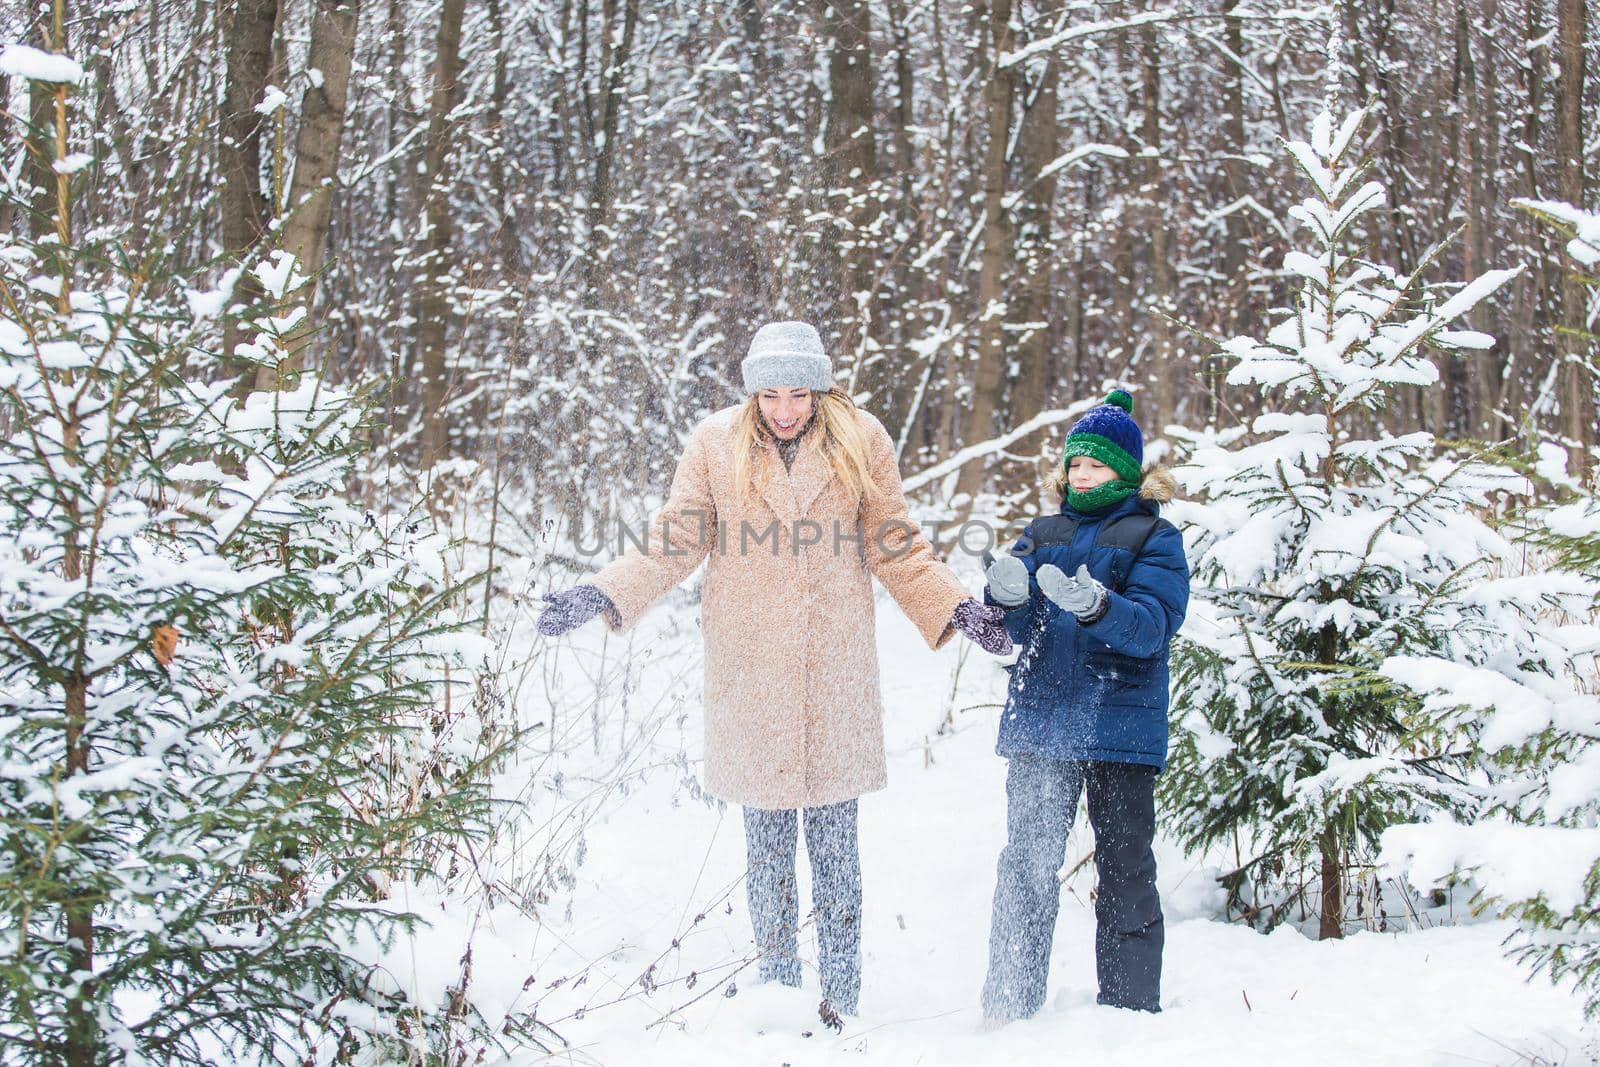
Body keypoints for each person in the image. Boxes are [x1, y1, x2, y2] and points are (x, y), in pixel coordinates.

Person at [537, 321, 1012, 1017]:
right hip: (751, 671)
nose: (785, 408)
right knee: (766, 853)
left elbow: (896, 545)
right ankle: (779, 995)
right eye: (770, 394)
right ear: (752, 391)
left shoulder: (861, 439)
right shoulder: (714, 445)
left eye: (798, 393)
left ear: (819, 388)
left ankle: (841, 1000)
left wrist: (956, 606)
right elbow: (675, 539)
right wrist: (604, 589)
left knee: (835, 852)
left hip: (833, 671)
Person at [978, 389, 1189, 1021]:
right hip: (1043, 728)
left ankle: (1126, 1014)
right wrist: (1007, 601)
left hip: (1118, 728)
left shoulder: (1156, 535)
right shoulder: (1042, 532)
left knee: (1124, 869)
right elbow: (1009, 636)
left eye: (1095, 465)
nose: (1081, 476)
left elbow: (1152, 627)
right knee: (1026, 868)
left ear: (1126, 471)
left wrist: (1097, 606)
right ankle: (1008, 1008)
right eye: (1074, 464)